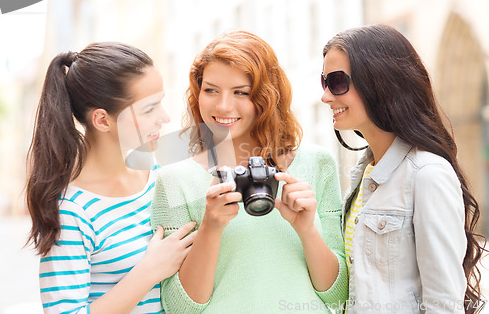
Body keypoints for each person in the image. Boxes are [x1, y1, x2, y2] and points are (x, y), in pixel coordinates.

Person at [151, 30, 348, 313]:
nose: (222, 106)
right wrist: (210, 227)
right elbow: (178, 308)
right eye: (210, 90)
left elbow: (338, 296)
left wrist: (307, 230)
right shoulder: (173, 181)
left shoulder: (318, 163)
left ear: (266, 97)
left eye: (240, 92)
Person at [320, 24, 486, 313]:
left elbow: (443, 304)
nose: (326, 96)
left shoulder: (427, 174)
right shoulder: (363, 176)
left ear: (379, 81)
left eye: (336, 82)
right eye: (324, 82)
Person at [25, 42, 197, 314]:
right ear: (102, 120)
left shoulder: (156, 173)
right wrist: (148, 272)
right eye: (149, 109)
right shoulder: (73, 211)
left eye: (160, 103)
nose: (164, 118)